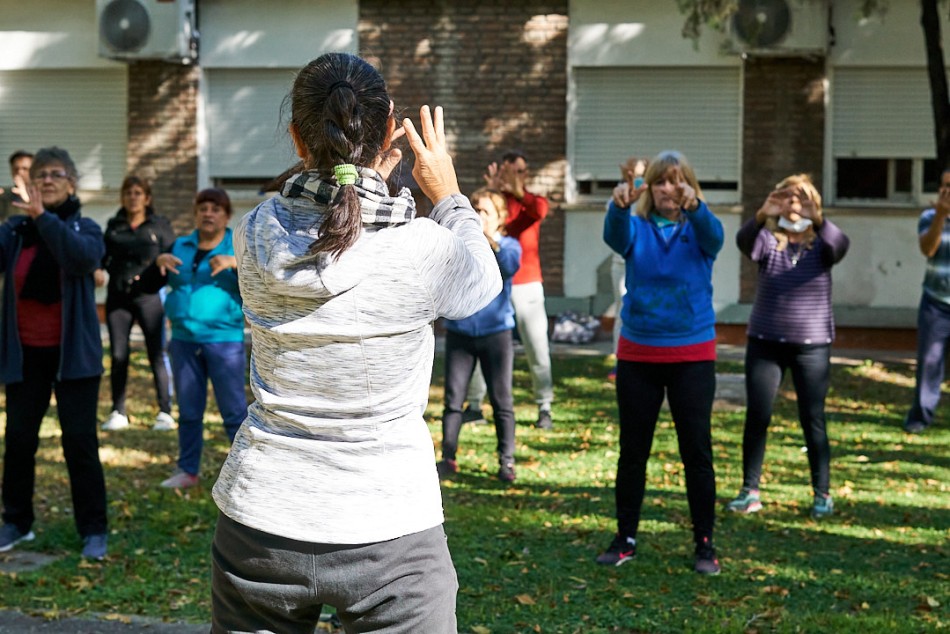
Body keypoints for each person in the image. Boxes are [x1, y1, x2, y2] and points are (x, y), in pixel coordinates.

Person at [209, 53, 501, 633]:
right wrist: (447, 195)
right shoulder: (422, 247)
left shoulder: (254, 231)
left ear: (296, 134)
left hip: (261, 520)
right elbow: (482, 283)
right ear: (390, 127)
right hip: (390, 529)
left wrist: (359, 184)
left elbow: (323, 222)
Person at [596, 150, 724, 575]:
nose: (669, 189)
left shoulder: (700, 227)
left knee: (697, 453)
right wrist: (618, 205)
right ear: (649, 188)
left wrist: (697, 207)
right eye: (661, 182)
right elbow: (614, 237)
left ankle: (704, 542)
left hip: (692, 355)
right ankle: (625, 536)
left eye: (677, 181)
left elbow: (716, 238)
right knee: (634, 452)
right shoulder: (635, 227)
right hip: (639, 354)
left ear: (688, 185)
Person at [0, 147, 109, 559]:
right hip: (25, 355)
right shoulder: (13, 230)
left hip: (73, 359)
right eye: (40, 174)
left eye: (55, 174)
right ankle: (16, 521)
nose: (46, 180)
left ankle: (93, 529)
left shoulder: (84, 227)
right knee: (19, 440)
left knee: (79, 442)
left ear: (72, 183)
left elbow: (81, 259)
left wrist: (43, 218)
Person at [727, 174, 850, 520]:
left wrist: (820, 219)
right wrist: (762, 213)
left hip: (812, 346)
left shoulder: (822, 244)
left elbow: (841, 246)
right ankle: (750, 490)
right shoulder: (768, 240)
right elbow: (744, 243)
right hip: (766, 343)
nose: (794, 205)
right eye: (788, 198)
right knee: (758, 416)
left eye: (802, 199)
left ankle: (822, 494)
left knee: (812, 418)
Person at [149, 188, 247, 489]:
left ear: (226, 216)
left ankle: (247, 473)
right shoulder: (181, 245)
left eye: (215, 209)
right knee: (189, 410)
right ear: (195, 213)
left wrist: (234, 264)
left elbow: (258, 287)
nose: (208, 213)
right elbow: (157, 283)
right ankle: (188, 471)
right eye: (203, 208)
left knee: (233, 411)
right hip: (183, 338)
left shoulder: (238, 246)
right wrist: (159, 263)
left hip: (224, 340)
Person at [464, 150, 555, 429]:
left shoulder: (531, 202)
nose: (514, 175)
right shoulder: (494, 202)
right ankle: (475, 405)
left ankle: (544, 407)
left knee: (536, 345)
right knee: (483, 344)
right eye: (509, 170)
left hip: (527, 283)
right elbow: (478, 216)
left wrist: (516, 190)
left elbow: (539, 211)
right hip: (494, 284)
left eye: (519, 171)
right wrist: (492, 190)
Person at [438, 187, 522, 482]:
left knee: (502, 401)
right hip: (461, 332)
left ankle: (506, 462)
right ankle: (448, 458)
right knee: (453, 400)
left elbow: (509, 265)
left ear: (500, 219)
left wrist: (490, 239)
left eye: (485, 211)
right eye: (475, 208)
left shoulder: (509, 246)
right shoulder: (462, 245)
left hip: (496, 334)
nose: (478, 215)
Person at [99, 175, 177, 432]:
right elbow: (101, 256)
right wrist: (96, 270)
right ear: (123, 197)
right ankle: (118, 411)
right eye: (128, 192)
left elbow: (172, 255)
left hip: (149, 297)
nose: (132, 197)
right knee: (119, 355)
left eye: (137, 192)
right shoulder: (114, 226)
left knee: (157, 353)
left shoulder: (159, 226)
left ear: (147, 198)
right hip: (118, 297)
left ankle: (165, 412)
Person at [904, 168, 950, 434]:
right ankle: (920, 417)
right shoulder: (930, 217)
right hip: (936, 303)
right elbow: (927, 249)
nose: (947, 191)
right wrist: (941, 217)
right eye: (944, 186)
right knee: (930, 363)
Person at [608, 157, 648, 381]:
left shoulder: (650, 198)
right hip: (620, 263)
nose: (635, 177)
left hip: (642, 263)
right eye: (632, 173)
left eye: (640, 174)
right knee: (622, 310)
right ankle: (619, 360)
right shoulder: (618, 195)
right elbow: (614, 227)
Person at [0, 150, 33, 221]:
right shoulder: (4, 195)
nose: (20, 172)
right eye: (16, 169)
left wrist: (25, 196)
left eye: (25, 169)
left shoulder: (43, 193)